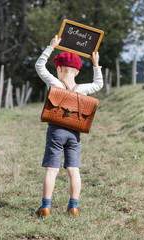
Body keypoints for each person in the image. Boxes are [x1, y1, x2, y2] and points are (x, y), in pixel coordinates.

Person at [35, 35, 103, 217]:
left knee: (52, 169)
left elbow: (39, 66)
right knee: (73, 169)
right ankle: (73, 207)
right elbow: (99, 84)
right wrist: (96, 64)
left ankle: (45, 207)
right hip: (75, 133)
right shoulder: (82, 88)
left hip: (56, 130)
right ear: (77, 72)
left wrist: (51, 47)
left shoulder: (55, 83)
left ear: (58, 68)